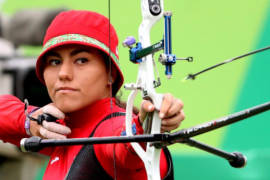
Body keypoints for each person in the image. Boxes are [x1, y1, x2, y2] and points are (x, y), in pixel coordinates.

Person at [0, 10, 185, 180]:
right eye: (55, 61)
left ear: (111, 74)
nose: (64, 73)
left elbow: (125, 147)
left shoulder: (110, 129)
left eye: (81, 60)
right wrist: (28, 122)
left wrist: (145, 127)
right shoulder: (58, 129)